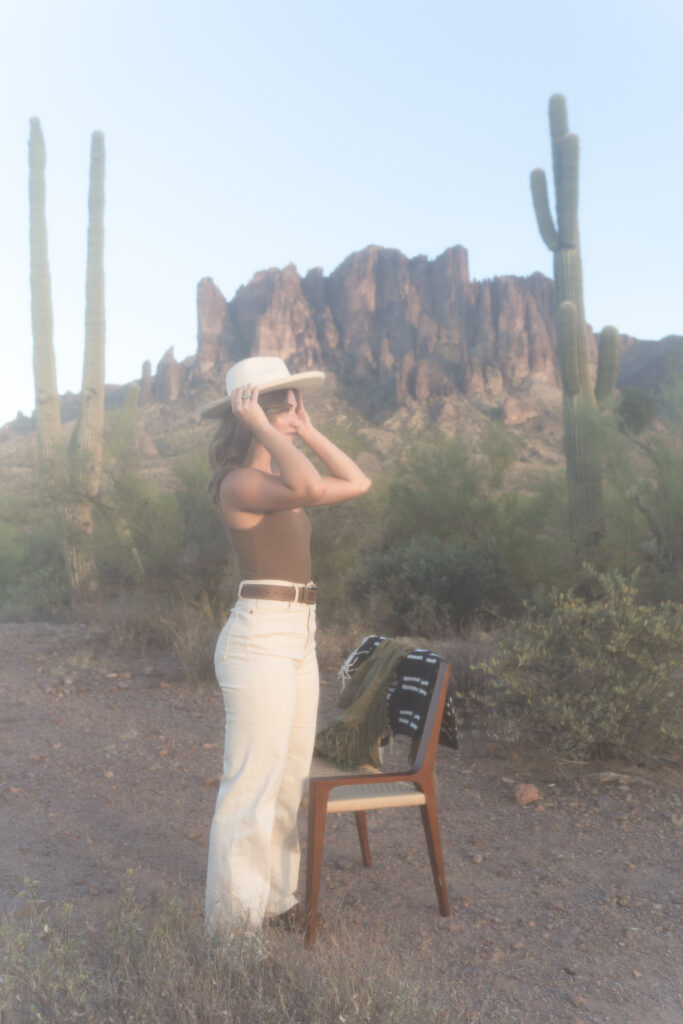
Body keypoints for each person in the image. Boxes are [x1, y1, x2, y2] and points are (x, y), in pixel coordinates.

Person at [199, 356, 371, 932]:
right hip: (260, 638)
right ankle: (232, 932)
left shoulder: (279, 486)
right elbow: (306, 482)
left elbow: (356, 482)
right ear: (250, 414)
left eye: (297, 404)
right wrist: (266, 428)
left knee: (289, 778)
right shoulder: (240, 482)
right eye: (286, 404)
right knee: (251, 786)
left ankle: (274, 900)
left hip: (298, 636)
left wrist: (308, 429)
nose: (295, 412)